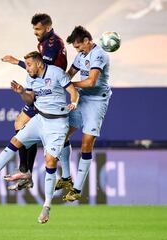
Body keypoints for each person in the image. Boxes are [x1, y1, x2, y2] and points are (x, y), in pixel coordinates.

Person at [0, 51, 79, 223]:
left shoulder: (56, 73)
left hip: (57, 124)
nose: (27, 68)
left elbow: (73, 92)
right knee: (15, 140)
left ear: (38, 63)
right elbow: (30, 101)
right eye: (26, 65)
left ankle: (46, 207)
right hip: (40, 119)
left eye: (29, 64)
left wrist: (73, 102)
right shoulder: (30, 78)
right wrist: (22, 92)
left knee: (50, 162)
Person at [1, 13, 67, 191]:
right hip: (45, 89)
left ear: (47, 27)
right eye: (34, 29)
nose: (35, 32)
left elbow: (40, 69)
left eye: (37, 29)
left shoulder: (52, 44)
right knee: (20, 124)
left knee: (22, 124)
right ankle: (26, 171)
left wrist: (17, 62)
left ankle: (26, 171)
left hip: (49, 93)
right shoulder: (45, 42)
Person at [55, 26, 111, 202]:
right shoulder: (81, 56)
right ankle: (65, 178)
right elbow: (69, 74)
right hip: (82, 100)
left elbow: (92, 81)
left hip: (96, 102)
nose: (78, 50)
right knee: (62, 134)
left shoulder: (99, 55)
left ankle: (77, 189)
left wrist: (71, 86)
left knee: (86, 143)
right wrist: (58, 80)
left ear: (87, 40)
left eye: (79, 46)